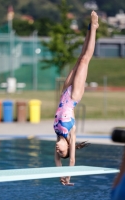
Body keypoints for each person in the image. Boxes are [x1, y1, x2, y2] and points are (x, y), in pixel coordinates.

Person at [53, 11, 99, 185]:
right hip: (73, 96)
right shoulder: (70, 133)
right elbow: (70, 161)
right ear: (67, 149)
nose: (58, 150)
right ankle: (94, 27)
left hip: (64, 92)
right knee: (85, 60)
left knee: (79, 58)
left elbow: (57, 162)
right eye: (61, 151)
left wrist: (59, 176)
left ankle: (88, 28)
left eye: (58, 151)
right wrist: (68, 177)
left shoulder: (57, 134)